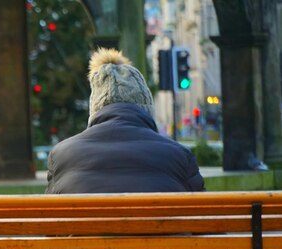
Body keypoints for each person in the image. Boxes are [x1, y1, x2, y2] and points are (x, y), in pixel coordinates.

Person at [46, 48, 205, 194]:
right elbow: (202, 214)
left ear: (94, 109)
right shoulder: (179, 156)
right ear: (146, 109)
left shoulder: (60, 156)